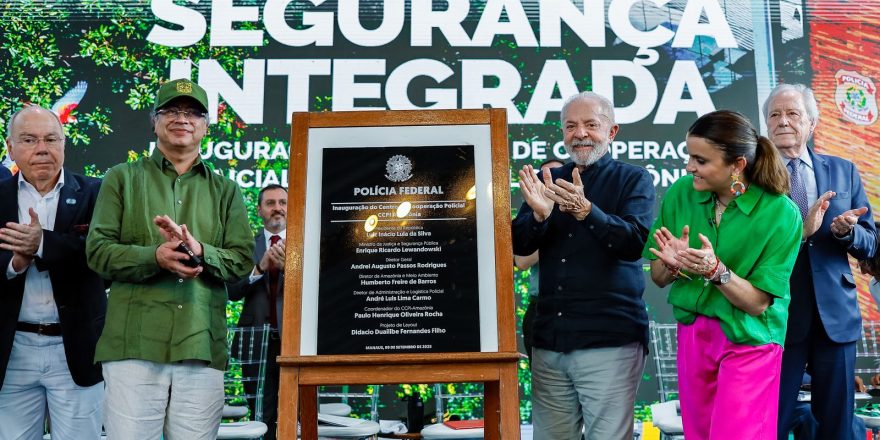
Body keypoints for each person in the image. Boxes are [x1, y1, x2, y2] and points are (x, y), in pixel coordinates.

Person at [86, 78, 254, 439]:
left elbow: (242, 261)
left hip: (200, 346)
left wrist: (201, 251)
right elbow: (97, 252)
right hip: (133, 346)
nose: (182, 119)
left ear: (206, 126)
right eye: (172, 111)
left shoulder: (226, 190)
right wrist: (154, 256)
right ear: (154, 121)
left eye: (193, 113)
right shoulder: (121, 178)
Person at [644, 110, 802, 439]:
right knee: (699, 433)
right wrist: (672, 263)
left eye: (700, 160)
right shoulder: (681, 193)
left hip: (750, 337)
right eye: (689, 156)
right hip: (694, 333)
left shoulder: (781, 213)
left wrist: (716, 271)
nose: (689, 167)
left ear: (737, 165)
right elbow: (658, 277)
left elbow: (757, 303)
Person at [512, 91, 655, 440]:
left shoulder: (633, 179)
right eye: (570, 126)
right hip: (550, 340)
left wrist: (587, 212)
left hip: (609, 340)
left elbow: (634, 244)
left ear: (612, 131)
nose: (580, 134)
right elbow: (519, 246)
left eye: (591, 124)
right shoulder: (547, 180)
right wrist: (540, 216)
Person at [770, 84, 878, 440]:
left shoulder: (844, 170)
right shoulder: (753, 177)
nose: (783, 121)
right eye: (774, 115)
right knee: (770, 422)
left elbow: (870, 242)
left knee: (838, 426)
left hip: (835, 315)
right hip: (777, 315)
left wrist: (848, 233)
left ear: (812, 123)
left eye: (792, 113)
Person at [0, 105, 106, 438]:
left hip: (77, 348)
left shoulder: (97, 193)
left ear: (63, 144)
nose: (42, 148)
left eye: (50, 139)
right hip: (11, 351)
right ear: (10, 147)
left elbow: (103, 257)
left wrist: (43, 244)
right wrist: (15, 263)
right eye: (29, 139)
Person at [227, 183, 287, 440]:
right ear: (260, 210)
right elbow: (231, 290)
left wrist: (289, 269)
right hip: (254, 342)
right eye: (270, 203)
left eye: (283, 202)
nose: (277, 208)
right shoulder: (245, 246)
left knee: (293, 409)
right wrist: (259, 268)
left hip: (293, 342)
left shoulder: (305, 244)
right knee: (261, 413)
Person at [513, 158, 564, 360]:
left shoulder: (580, 210)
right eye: (543, 176)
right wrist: (543, 219)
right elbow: (522, 262)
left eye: (557, 175)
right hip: (541, 306)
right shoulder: (531, 214)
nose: (550, 180)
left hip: (578, 307)